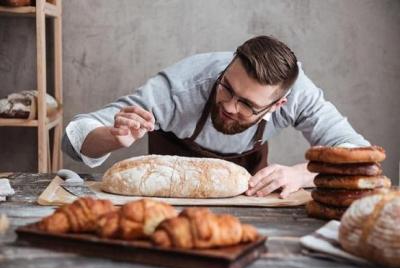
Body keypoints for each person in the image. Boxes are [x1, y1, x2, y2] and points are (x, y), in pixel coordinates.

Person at [62, 35, 370, 198]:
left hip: (253, 203)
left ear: (279, 105)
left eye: (248, 105)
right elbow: (73, 138)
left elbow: (359, 155)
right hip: (169, 203)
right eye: (227, 88)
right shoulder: (180, 88)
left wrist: (302, 175)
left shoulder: (300, 94)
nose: (230, 106)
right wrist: (112, 138)